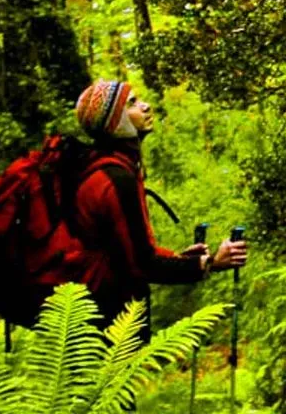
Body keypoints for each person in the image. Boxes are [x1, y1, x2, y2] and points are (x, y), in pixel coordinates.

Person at [71, 79, 248, 328]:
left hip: (91, 314)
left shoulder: (109, 170)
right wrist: (211, 263)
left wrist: (180, 259)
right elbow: (143, 265)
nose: (145, 106)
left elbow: (128, 252)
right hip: (110, 321)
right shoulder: (116, 180)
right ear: (115, 122)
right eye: (132, 103)